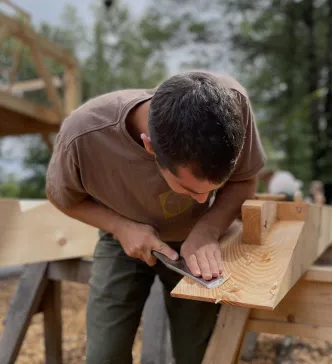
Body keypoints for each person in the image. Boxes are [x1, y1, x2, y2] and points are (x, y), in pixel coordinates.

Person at [45, 70, 265, 364]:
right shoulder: (84, 136)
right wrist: (121, 227)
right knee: (104, 355)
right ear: (150, 147)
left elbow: (245, 180)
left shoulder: (230, 106)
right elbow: (63, 198)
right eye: (188, 188)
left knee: (200, 355)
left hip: (198, 246)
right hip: (122, 239)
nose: (202, 199)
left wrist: (208, 229)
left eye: (212, 189)